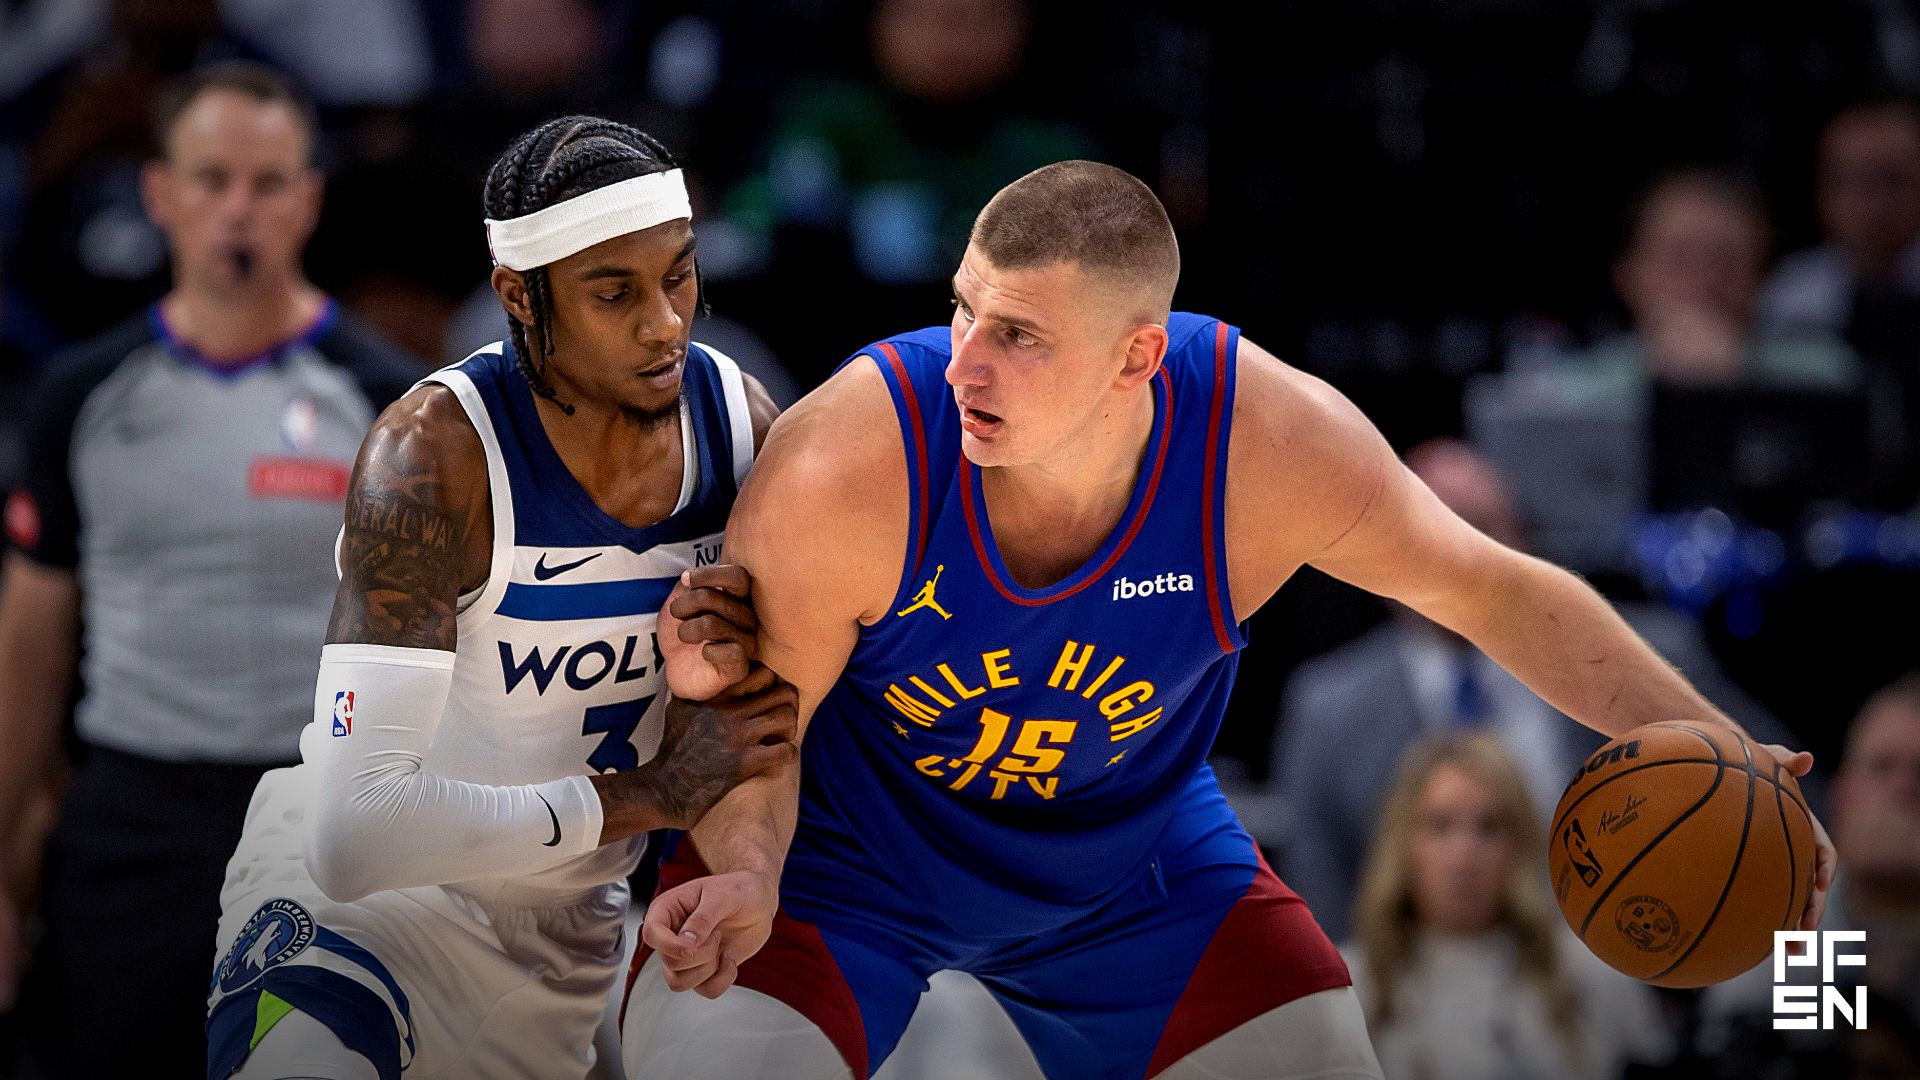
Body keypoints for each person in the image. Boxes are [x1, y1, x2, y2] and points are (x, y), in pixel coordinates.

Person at [620, 161, 1836, 1080]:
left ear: (1137, 357)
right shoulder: (852, 459)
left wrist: (1723, 748)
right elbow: (750, 715)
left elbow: (1495, 589)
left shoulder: (1269, 446)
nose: (965, 364)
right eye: (964, 311)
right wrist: (747, 869)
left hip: (1127, 865)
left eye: (1020, 336)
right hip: (838, 865)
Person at [203, 115, 796, 1079]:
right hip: (362, 909)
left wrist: (744, 866)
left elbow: (759, 729)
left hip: (565, 934)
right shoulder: (433, 456)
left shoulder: (742, 432)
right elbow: (356, 833)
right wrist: (652, 793)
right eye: (615, 293)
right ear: (520, 294)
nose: (664, 322)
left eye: (680, 275)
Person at [0, 61, 420, 1078]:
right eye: (212, 178)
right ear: (161, 193)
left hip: (324, 820)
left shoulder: (392, 405)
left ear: (308, 201)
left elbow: (437, 644)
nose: (239, 209)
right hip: (131, 823)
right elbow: (28, 648)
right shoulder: (81, 398)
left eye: (268, 183)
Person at [1277, 437, 1792, 941]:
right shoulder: (1326, 709)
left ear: (1521, 541)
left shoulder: (1641, 656)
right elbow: (1319, 908)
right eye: (1426, 530)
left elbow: (1772, 782)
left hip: (1615, 962)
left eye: (1480, 528)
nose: (1454, 555)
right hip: (1410, 982)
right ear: (1376, 554)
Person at [1340, 733, 1674, 1080]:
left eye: (1488, 827)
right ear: (1402, 843)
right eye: (1440, 825)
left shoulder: (1593, 975)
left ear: (1520, 843)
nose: (1464, 856)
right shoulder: (1350, 988)